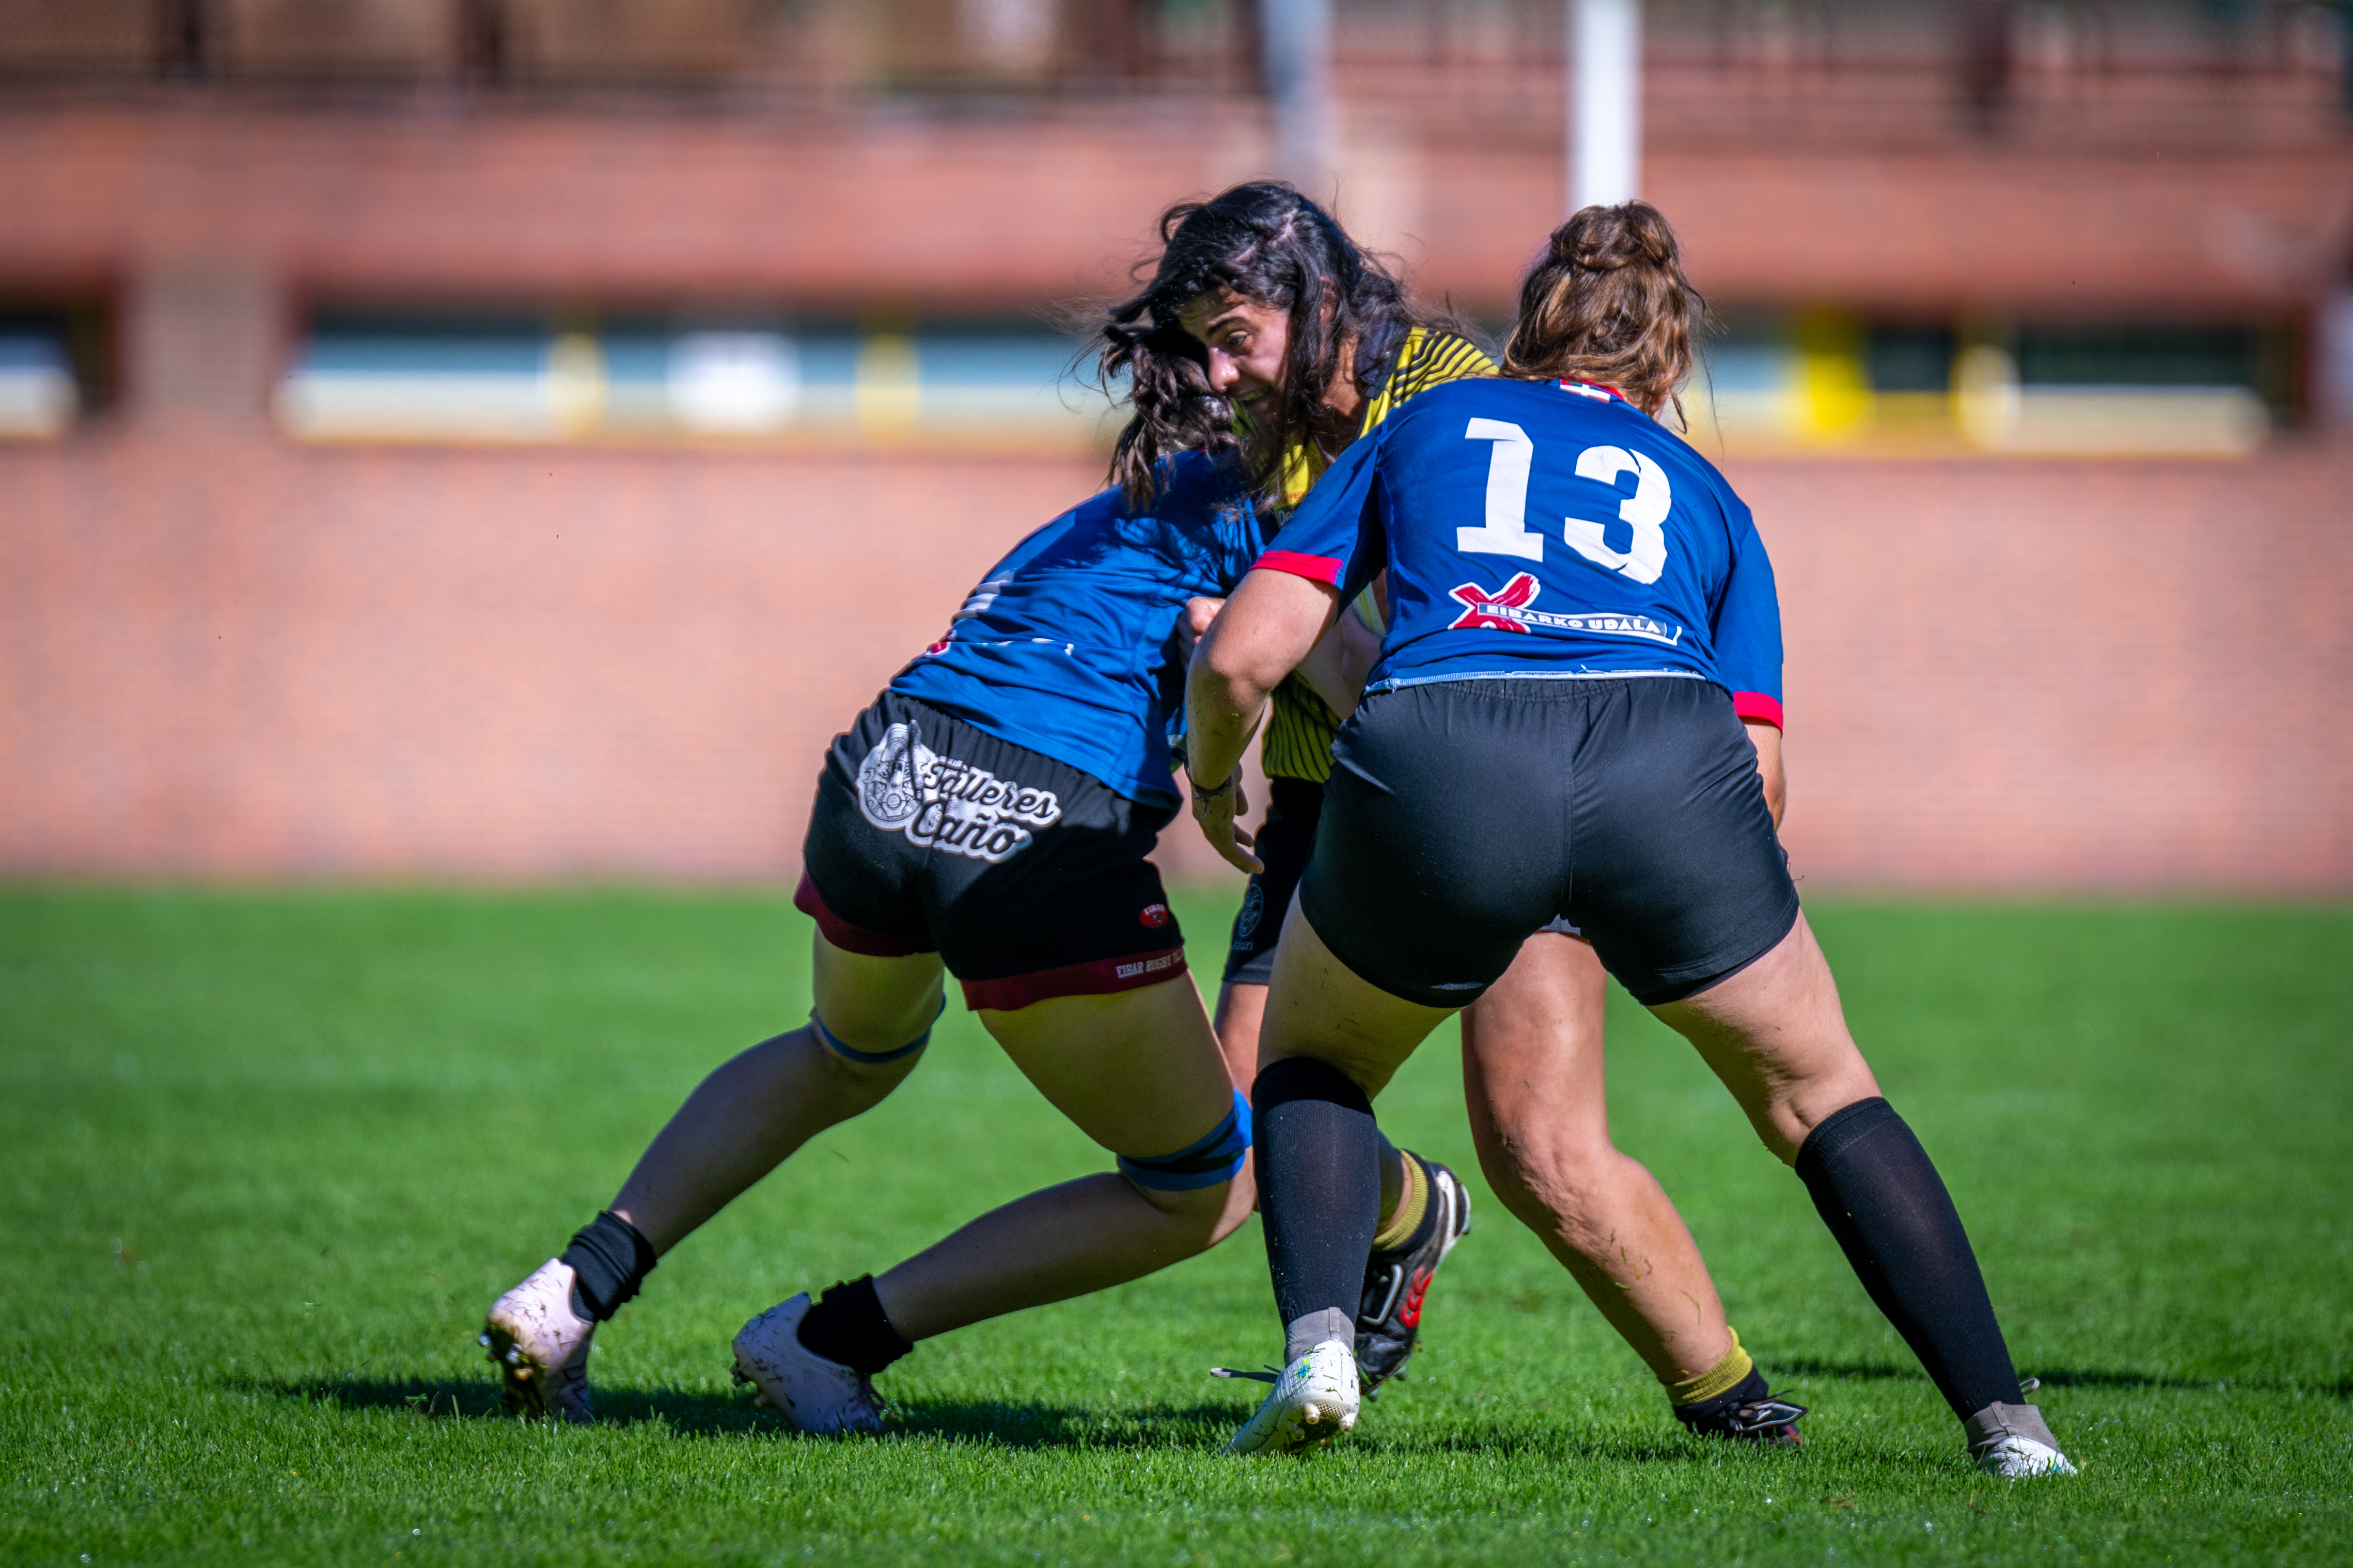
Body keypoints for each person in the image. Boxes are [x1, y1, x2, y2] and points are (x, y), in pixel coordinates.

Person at [1185, 200, 2076, 1478]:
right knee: (1823, 1094)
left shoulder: (1429, 422)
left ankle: (1323, 1350)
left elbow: (1246, 654)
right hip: (1669, 768)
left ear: (1529, 328)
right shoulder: (1709, 493)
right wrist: (1699, 897)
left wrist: (1215, 780)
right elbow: (1759, 773)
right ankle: (2009, 1426)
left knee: (1312, 1062)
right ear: (1667, 363)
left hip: (1450, 752)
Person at [479, 450, 1436, 1431]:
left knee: (847, 1049)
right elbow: (1303, 661)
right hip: (1038, 810)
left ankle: (572, 1289)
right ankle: (826, 1342)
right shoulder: (1293, 507)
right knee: (1202, 1184)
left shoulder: (1123, 504)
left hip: (886, 764)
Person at [1112, 180, 1802, 1439]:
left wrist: (1266, 657)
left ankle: (1735, 1401)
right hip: (1330, 807)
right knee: (1245, 1122)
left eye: (1236, 335)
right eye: (1198, 343)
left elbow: (1443, 681)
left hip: (1490, 792)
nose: (1214, 373)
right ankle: (1404, 1225)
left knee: (1543, 1149)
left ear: (1315, 301)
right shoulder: (1266, 440)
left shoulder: (1451, 400)